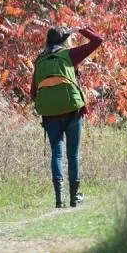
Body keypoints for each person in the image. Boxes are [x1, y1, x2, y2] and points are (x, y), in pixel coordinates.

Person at [31, 25, 103, 208]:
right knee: (73, 155)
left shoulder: (39, 60)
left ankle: (58, 198)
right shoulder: (69, 55)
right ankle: (74, 196)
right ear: (64, 39)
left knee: (56, 153)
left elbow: (33, 93)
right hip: (71, 111)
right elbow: (98, 40)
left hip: (49, 115)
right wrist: (81, 29)